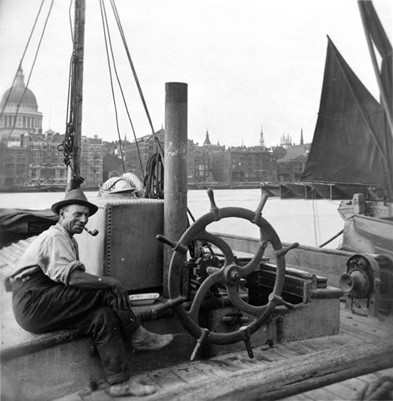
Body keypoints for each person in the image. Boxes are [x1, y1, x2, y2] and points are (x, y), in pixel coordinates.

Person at [10, 189, 173, 396]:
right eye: (77, 214)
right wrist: (110, 282)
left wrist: (104, 285)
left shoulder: (69, 239)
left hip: (40, 306)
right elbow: (72, 278)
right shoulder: (54, 237)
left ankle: (119, 382)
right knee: (107, 289)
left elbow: (73, 283)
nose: (83, 220)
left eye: (86, 216)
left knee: (102, 317)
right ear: (62, 215)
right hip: (33, 302)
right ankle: (138, 335)